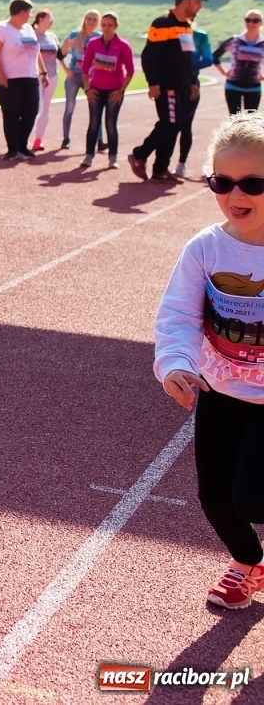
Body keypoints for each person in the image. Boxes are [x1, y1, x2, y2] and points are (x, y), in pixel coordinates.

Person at [152, 112, 264, 608]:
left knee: (253, 497)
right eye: (222, 182)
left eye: (253, 184)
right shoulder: (205, 248)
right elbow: (178, 314)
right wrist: (175, 363)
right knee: (215, 497)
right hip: (221, 389)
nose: (235, 195)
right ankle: (250, 562)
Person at [131, 0, 209, 184]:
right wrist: (153, 83)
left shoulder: (187, 26)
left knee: (175, 126)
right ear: (185, 2)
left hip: (183, 86)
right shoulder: (162, 23)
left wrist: (192, 82)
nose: (200, 6)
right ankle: (139, 154)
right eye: (197, 2)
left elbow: (187, 59)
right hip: (167, 86)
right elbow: (149, 56)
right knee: (169, 124)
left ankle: (160, 169)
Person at [0, 0, 44, 160]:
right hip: (9, 78)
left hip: (30, 77)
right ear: (21, 12)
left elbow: (36, 51)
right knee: (12, 113)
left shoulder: (28, 29)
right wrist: (1, 74)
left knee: (31, 111)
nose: (30, 16)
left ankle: (22, 145)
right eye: (28, 12)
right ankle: (12, 149)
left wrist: (42, 72)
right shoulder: (2, 28)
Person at [77, 12, 134, 170]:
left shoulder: (123, 45)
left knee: (110, 123)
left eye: (109, 25)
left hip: (114, 91)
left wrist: (121, 91)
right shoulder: (94, 43)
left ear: (116, 26)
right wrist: (87, 88)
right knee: (94, 123)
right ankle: (88, 156)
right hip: (96, 89)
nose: (106, 28)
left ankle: (112, 158)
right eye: (103, 25)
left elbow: (130, 71)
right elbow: (85, 67)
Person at [58, 9, 101, 150]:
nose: (91, 21)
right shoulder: (74, 35)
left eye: (95, 19)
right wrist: (66, 47)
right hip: (75, 76)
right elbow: (60, 53)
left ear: (98, 22)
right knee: (69, 108)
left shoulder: (99, 37)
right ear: (84, 19)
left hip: (91, 78)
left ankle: (100, 140)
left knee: (95, 108)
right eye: (89, 18)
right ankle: (66, 139)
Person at [178, 25, 216, 179]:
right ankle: (163, 165)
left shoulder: (197, 36)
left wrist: (187, 70)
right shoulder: (169, 32)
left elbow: (208, 59)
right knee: (170, 125)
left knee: (184, 125)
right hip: (171, 85)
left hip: (191, 85)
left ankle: (181, 164)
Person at [214, 11, 264, 116]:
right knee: (234, 120)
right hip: (233, 86)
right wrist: (223, 72)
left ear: (261, 23)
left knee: (250, 122)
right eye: (248, 20)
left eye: (255, 21)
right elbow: (215, 56)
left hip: (253, 88)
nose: (251, 23)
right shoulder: (235, 41)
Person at [30, 8, 61, 151]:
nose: (52, 21)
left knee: (46, 108)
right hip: (36, 75)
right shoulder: (32, 35)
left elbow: (60, 55)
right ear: (41, 19)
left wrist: (67, 46)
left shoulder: (52, 36)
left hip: (52, 75)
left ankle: (39, 138)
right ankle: (23, 136)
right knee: (38, 106)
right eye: (50, 18)